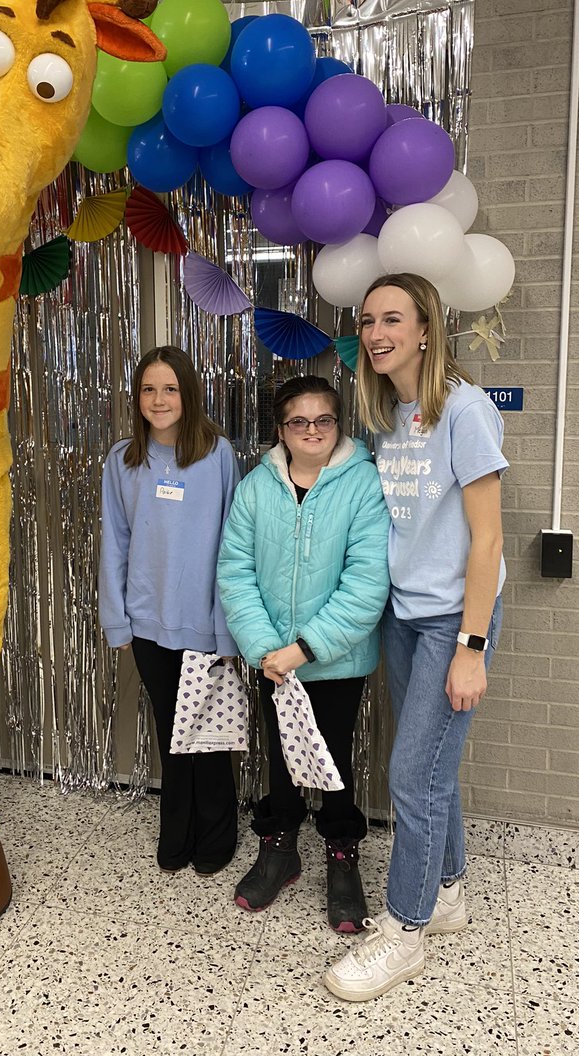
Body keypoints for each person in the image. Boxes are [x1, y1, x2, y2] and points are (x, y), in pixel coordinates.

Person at [324, 272, 507, 1002]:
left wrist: (471, 647)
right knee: (431, 769)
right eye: (367, 320)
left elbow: (489, 540)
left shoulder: (465, 410)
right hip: (403, 614)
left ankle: (404, 932)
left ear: (426, 329)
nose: (376, 332)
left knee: (411, 778)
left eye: (392, 318)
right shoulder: (389, 414)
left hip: (453, 620)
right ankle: (450, 893)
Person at [217, 375, 390, 931]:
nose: (312, 430)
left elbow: (367, 582)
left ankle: (342, 853)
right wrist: (268, 650)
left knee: (334, 759)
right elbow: (235, 571)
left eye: (324, 420)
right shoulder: (256, 487)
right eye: (299, 421)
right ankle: (280, 846)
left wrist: (305, 649)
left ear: (338, 426)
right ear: (282, 429)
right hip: (271, 659)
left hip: (335, 660)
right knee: (280, 756)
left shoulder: (363, 484)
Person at [99, 345, 241, 876]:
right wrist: (117, 619)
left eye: (170, 388)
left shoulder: (217, 453)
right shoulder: (123, 460)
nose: (159, 400)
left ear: (188, 393)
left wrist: (227, 631)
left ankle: (217, 833)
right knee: (171, 732)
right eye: (149, 389)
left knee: (208, 734)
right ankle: (175, 829)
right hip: (147, 623)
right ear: (137, 398)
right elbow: (114, 542)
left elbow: (233, 543)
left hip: (203, 622)